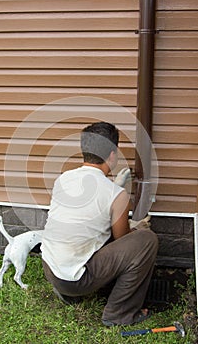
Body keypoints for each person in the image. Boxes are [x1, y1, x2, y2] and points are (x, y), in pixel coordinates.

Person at [41, 121, 158, 326]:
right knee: (147, 240)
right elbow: (121, 239)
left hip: (50, 269)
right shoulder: (116, 195)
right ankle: (119, 314)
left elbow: (86, 212)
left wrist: (114, 189)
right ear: (112, 155)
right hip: (78, 281)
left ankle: (67, 295)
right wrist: (136, 226)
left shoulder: (64, 179)